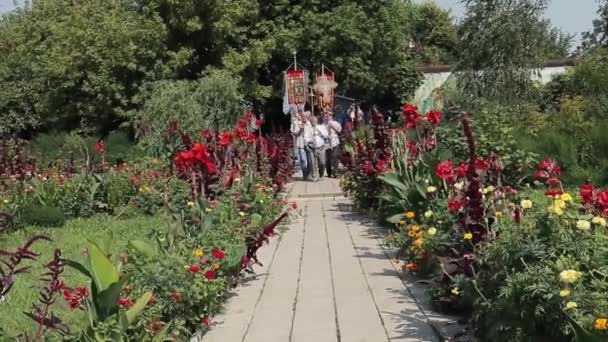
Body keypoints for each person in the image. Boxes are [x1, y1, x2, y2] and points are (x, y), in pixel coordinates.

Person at [291, 110, 311, 180]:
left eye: (306, 116)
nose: (304, 117)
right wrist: (301, 129)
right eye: (303, 116)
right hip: (301, 143)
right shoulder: (297, 124)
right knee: (303, 160)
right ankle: (305, 174)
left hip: (309, 144)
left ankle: (308, 174)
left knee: (309, 160)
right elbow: (295, 134)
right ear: (301, 117)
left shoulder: (309, 123)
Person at [323, 111, 342, 178]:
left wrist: (332, 126)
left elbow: (339, 131)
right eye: (326, 115)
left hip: (335, 142)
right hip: (327, 143)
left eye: (329, 115)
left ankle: (335, 172)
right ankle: (329, 172)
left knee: (334, 156)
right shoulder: (324, 124)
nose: (328, 116)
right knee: (328, 159)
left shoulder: (336, 123)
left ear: (332, 116)